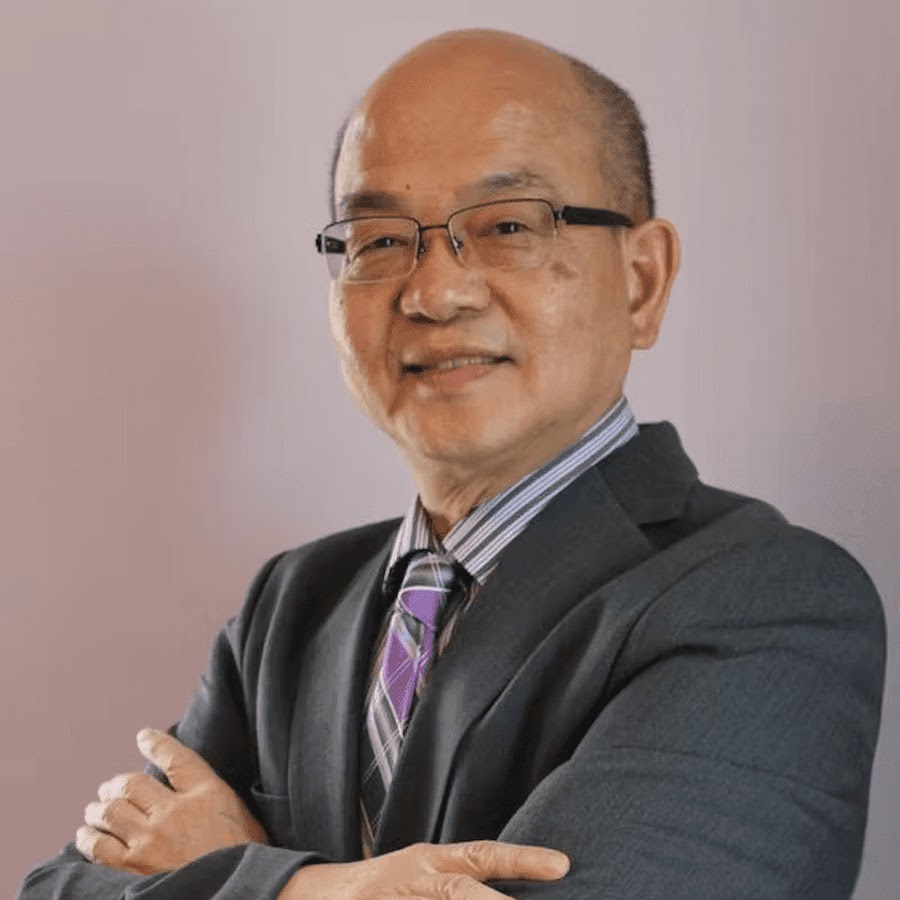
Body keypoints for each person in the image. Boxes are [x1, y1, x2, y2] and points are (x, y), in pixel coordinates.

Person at [18, 28, 885, 900]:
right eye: (378, 240)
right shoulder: (291, 607)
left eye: (508, 226)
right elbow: (56, 888)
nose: (434, 293)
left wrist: (242, 876)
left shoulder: (769, 600)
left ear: (642, 280)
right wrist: (312, 890)